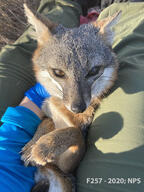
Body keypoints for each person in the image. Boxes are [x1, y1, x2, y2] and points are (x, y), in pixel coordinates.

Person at [0, 0, 144, 192]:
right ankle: (129, 7)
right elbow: (68, 162)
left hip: (9, 140)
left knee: (17, 55)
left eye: (93, 71)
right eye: (59, 73)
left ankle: (63, 3)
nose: (76, 101)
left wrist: (40, 122)